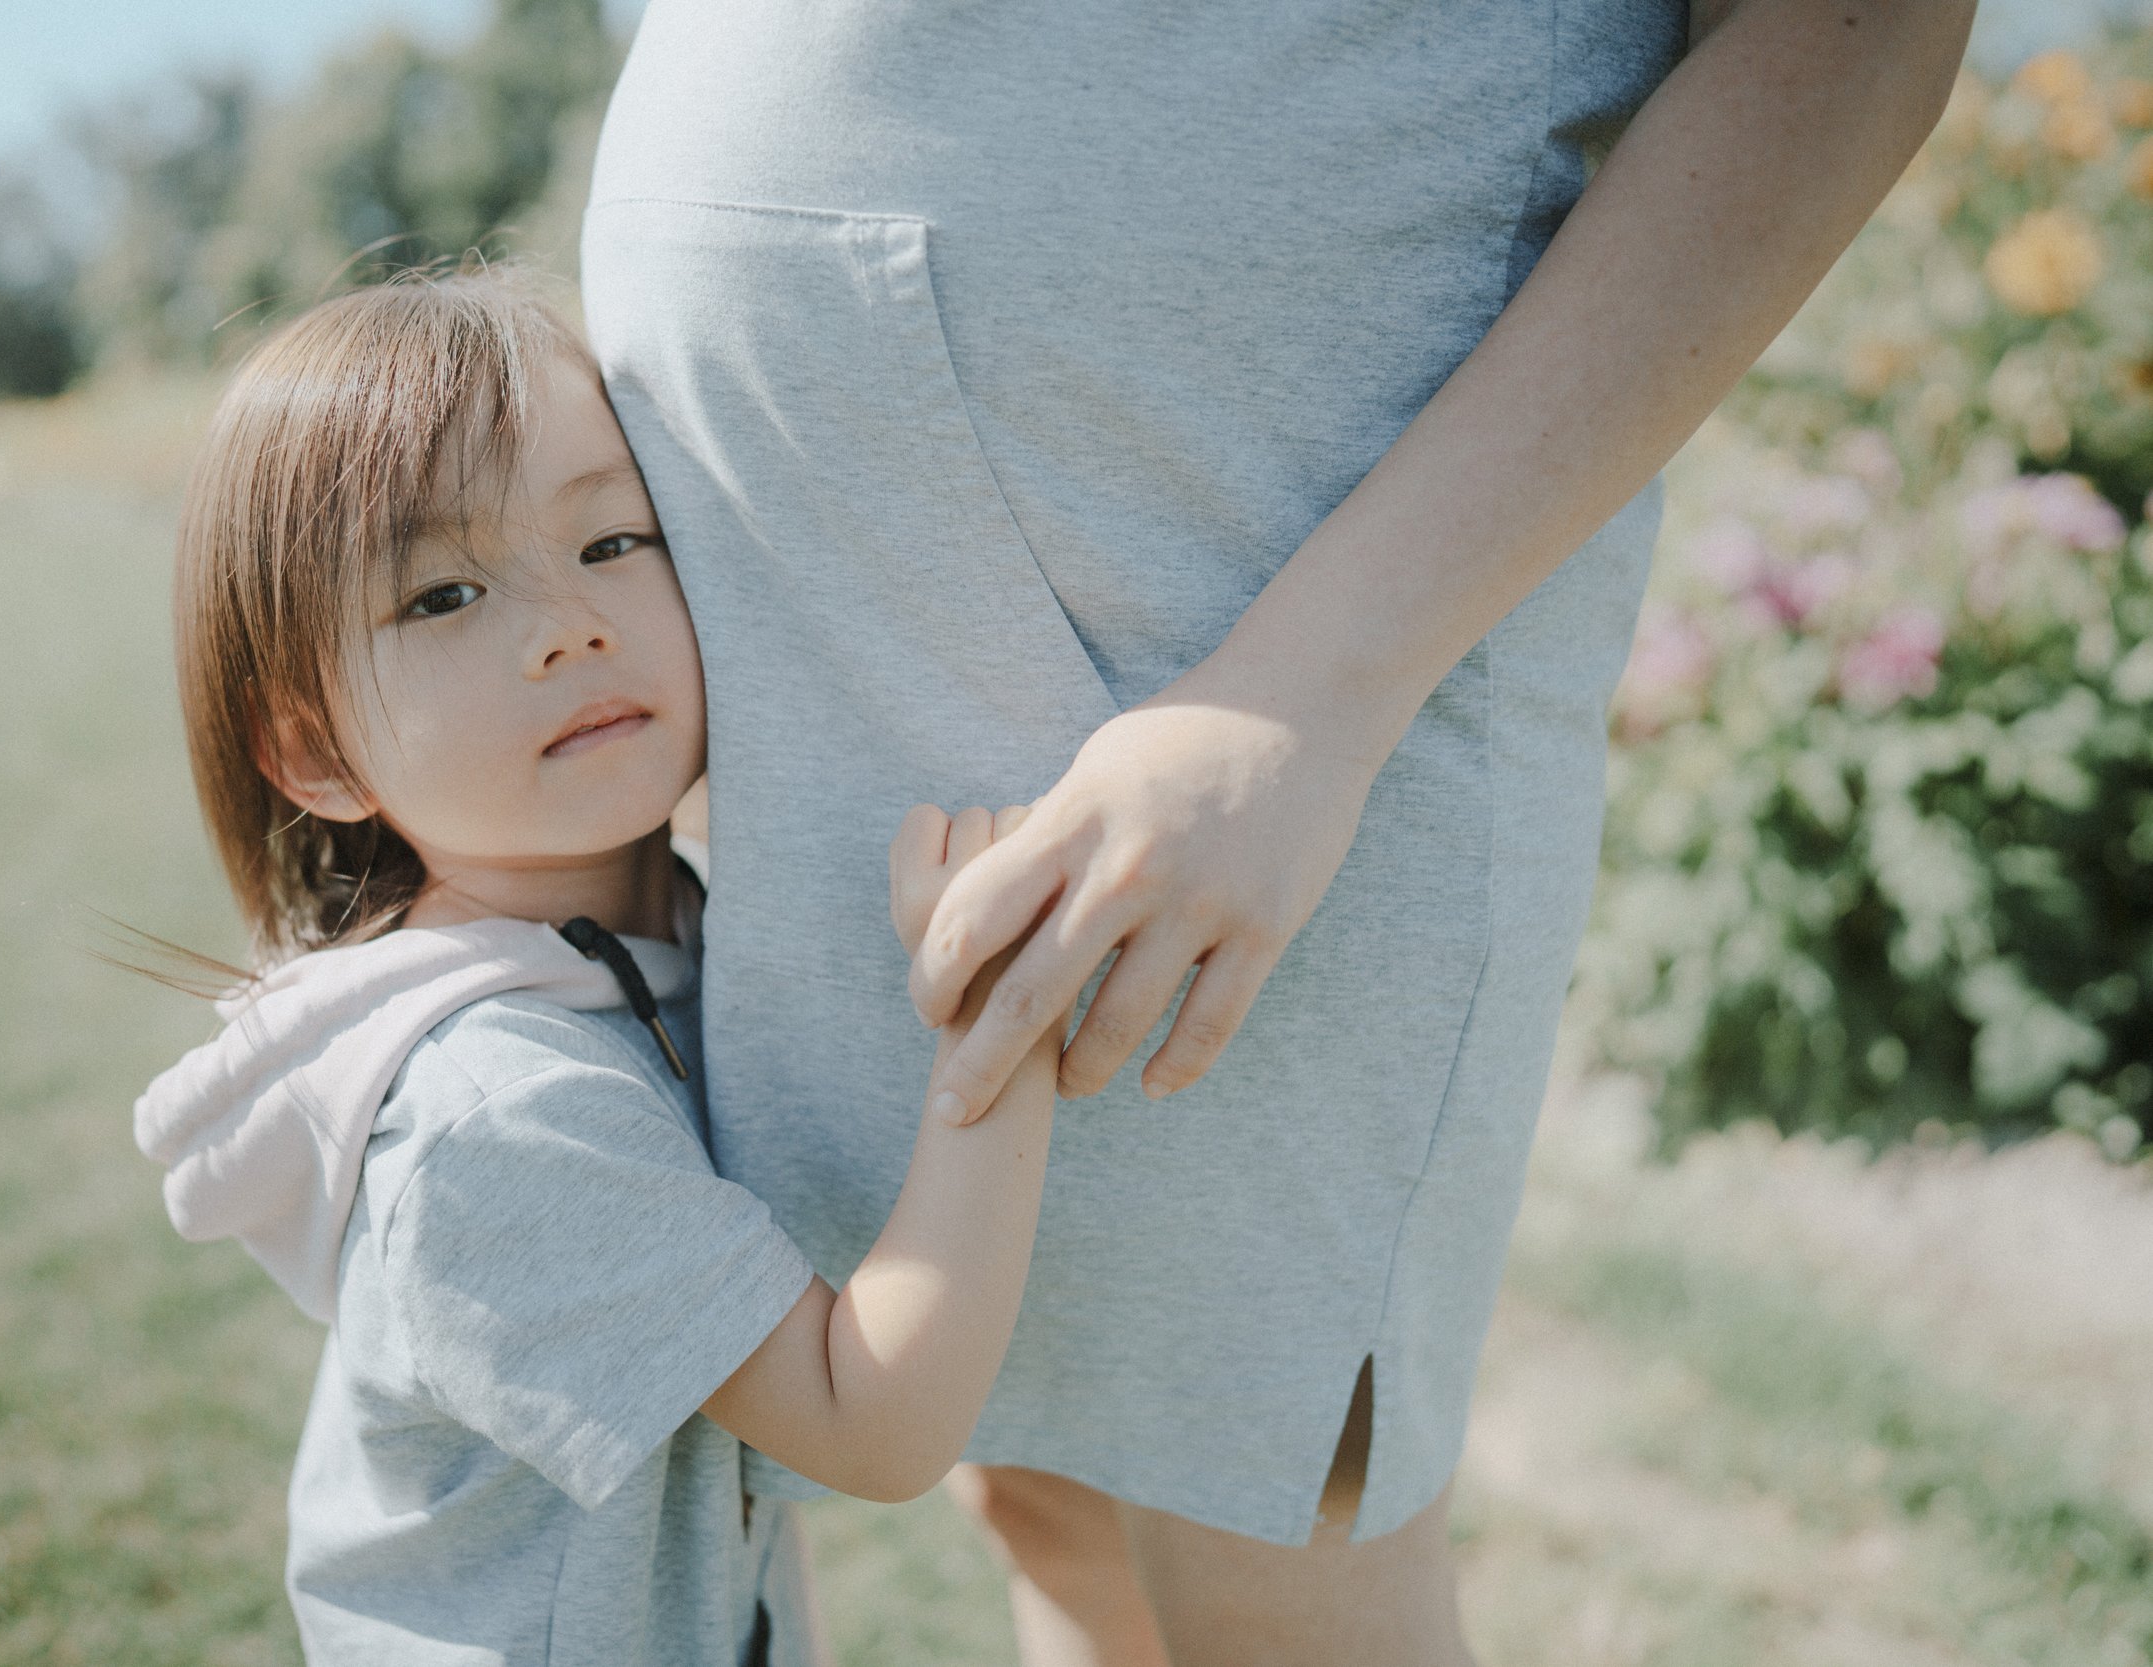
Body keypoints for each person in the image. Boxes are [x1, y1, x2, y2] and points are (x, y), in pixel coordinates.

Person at [581, 1, 1980, 1660]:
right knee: (1032, 1477)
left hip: (1251, 599)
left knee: (1266, 1533)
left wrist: (1301, 700)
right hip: (829, 636)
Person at [131, 271, 1066, 1666]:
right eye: (444, 593)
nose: (568, 622)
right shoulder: (494, 1113)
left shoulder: (670, 937)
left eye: (616, 539)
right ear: (317, 754)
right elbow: (875, 1423)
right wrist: (1006, 1008)